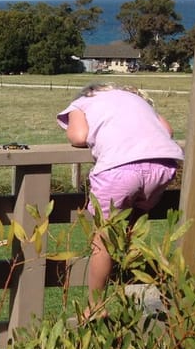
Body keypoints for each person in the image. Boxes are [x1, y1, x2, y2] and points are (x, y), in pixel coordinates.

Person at [57, 83, 184, 317]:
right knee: (132, 226)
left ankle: (96, 306)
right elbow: (167, 130)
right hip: (163, 166)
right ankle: (145, 286)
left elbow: (78, 136)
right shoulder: (138, 101)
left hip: (119, 170)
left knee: (102, 240)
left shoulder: (82, 103)